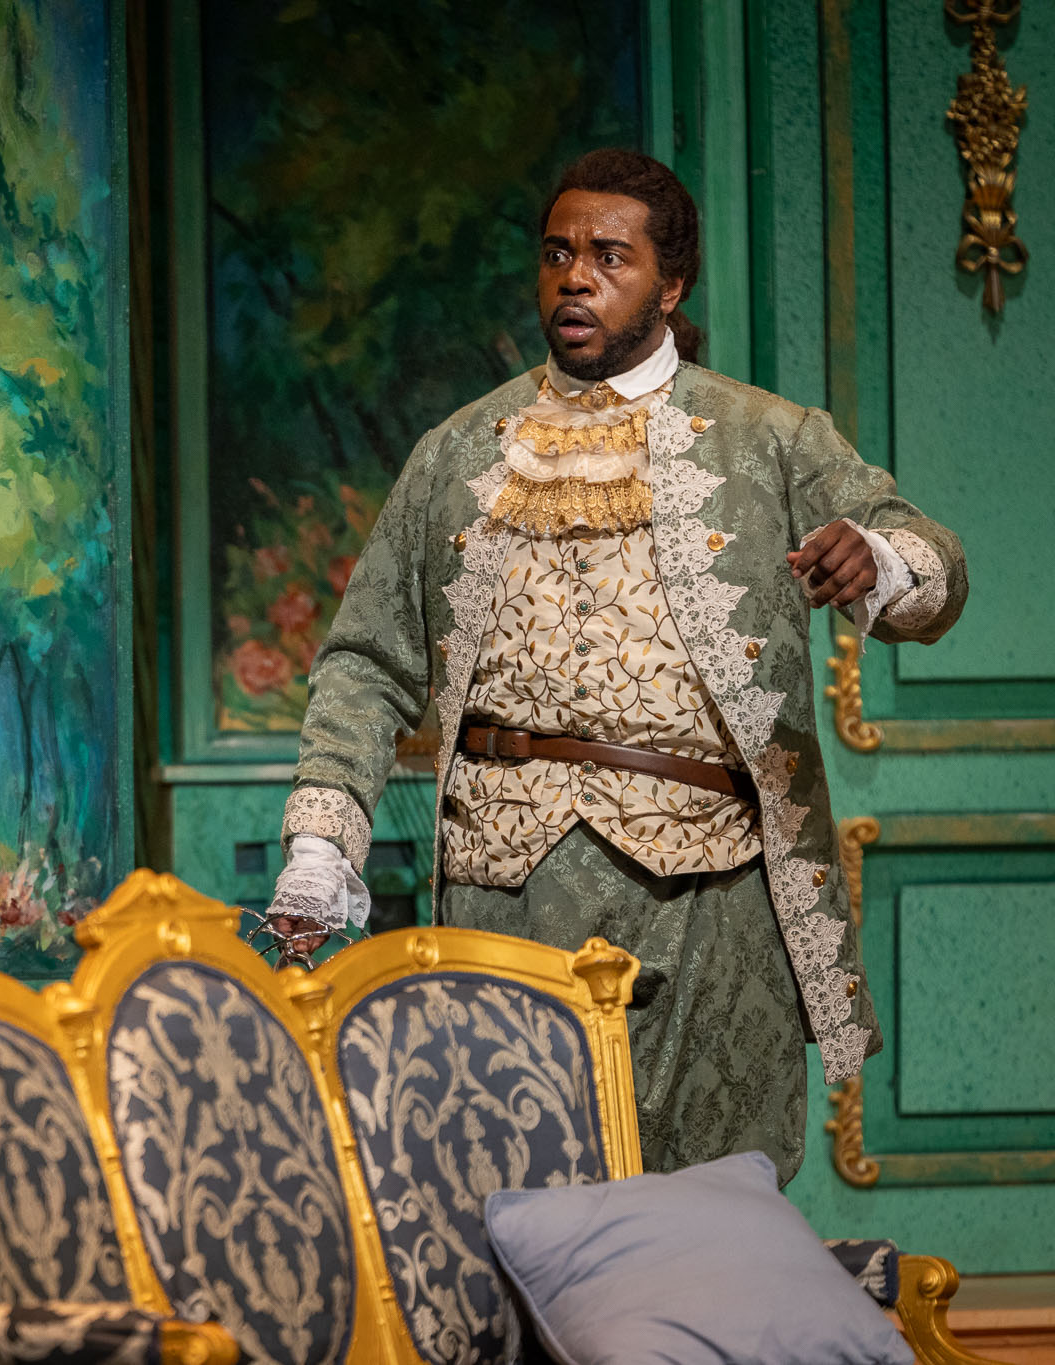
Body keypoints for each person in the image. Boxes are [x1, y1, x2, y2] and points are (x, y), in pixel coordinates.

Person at [264, 148, 966, 1184]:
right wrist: (323, 842)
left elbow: (934, 568)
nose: (575, 278)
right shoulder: (457, 450)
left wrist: (880, 559)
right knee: (514, 1209)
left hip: (711, 900)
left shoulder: (771, 438)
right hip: (503, 890)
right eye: (557, 255)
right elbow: (366, 659)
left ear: (669, 285)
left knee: (710, 1207)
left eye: (608, 256)